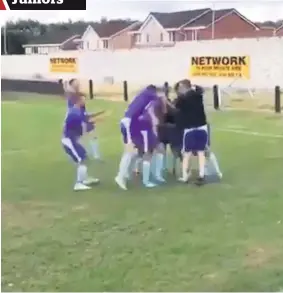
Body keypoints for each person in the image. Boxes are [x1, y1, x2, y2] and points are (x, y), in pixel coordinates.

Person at [115, 85, 165, 190]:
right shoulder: (152, 97)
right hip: (130, 124)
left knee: (134, 151)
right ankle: (120, 176)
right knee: (130, 151)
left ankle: (125, 173)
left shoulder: (142, 96)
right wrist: (154, 121)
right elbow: (150, 111)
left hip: (130, 123)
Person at [61, 95, 100, 191]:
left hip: (73, 140)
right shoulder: (75, 114)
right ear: (77, 101)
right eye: (83, 100)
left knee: (85, 159)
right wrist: (96, 121)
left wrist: (98, 115)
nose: (85, 101)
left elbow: (86, 118)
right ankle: (78, 184)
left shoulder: (77, 111)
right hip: (69, 141)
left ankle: (85, 179)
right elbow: (84, 125)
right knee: (82, 160)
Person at [174, 79, 208, 185]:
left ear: (183, 87)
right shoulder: (198, 95)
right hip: (202, 127)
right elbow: (200, 89)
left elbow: (176, 107)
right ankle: (201, 175)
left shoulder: (182, 99)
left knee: (187, 153)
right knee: (201, 152)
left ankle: (185, 177)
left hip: (190, 129)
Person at [64, 79, 102, 161]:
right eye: (75, 84)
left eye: (78, 83)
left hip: (81, 117)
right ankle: (80, 154)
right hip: (77, 119)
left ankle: (94, 155)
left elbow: (83, 110)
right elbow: (73, 110)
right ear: (72, 85)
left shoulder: (78, 95)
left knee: (92, 135)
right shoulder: (72, 96)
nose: (78, 85)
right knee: (79, 137)